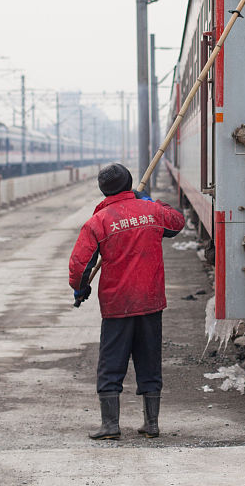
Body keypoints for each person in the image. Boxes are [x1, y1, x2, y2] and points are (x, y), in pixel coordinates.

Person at [68, 163, 186, 440]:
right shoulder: (153, 212)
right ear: (130, 183)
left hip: (117, 303)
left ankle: (110, 425)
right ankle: (152, 423)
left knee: (112, 362)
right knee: (149, 359)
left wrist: (80, 288)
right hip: (150, 299)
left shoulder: (98, 221)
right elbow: (177, 222)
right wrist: (151, 202)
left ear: (103, 190)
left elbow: (80, 265)